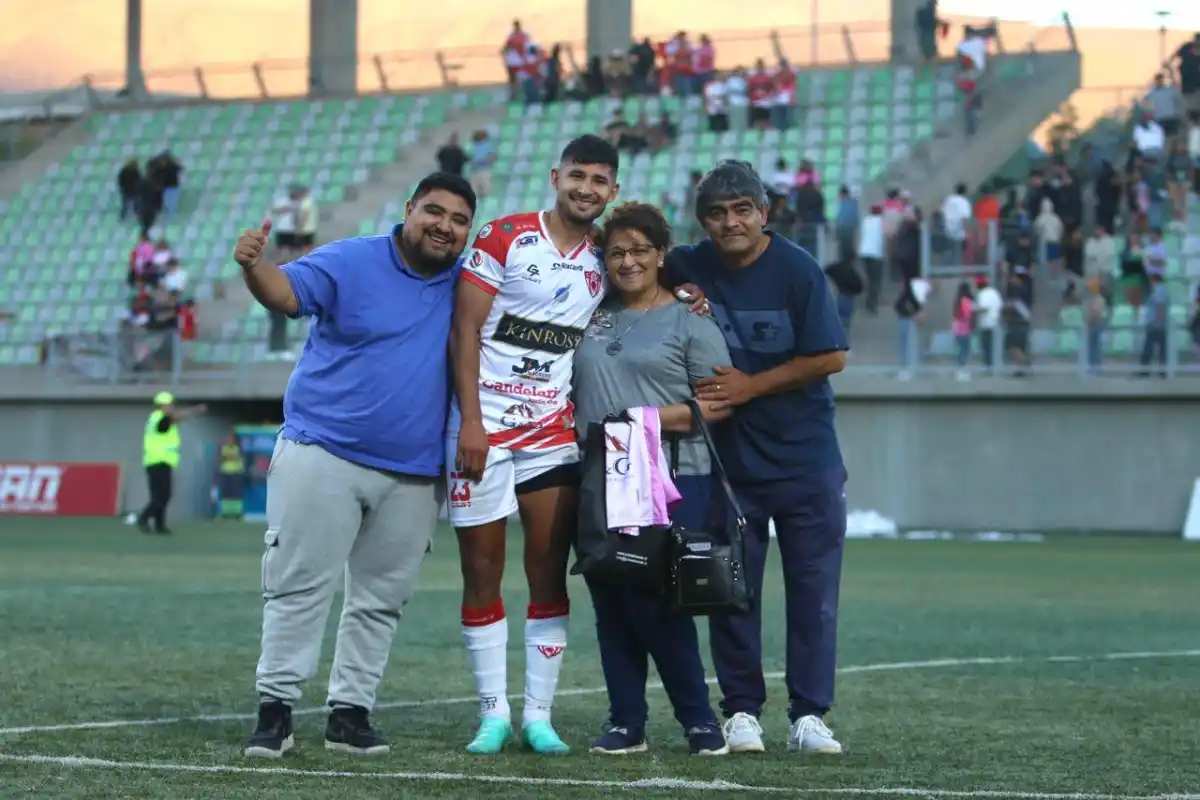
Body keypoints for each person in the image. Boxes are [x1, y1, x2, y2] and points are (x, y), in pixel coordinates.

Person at [232, 171, 477, 759]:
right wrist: (251, 266)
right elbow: (286, 295)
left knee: (381, 601)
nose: (444, 226)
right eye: (435, 212)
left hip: (415, 473)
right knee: (297, 585)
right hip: (324, 451)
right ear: (410, 208)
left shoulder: (472, 284)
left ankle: (350, 714)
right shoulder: (351, 259)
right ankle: (275, 712)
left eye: (459, 219)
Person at [664, 160, 849, 756]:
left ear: (763, 214)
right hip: (730, 463)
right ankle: (741, 710)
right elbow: (636, 269)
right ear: (703, 222)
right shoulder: (688, 265)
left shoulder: (797, 269)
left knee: (813, 593)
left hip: (805, 460)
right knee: (730, 589)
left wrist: (749, 385)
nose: (731, 222)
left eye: (742, 210)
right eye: (717, 213)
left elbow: (829, 357)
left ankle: (810, 715)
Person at [449, 135, 620, 756]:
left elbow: (657, 278)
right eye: (578, 176)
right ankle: (493, 713)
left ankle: (538, 717)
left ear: (613, 192)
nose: (586, 189)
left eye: (599, 181)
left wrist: (688, 292)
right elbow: (465, 330)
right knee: (482, 570)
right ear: (556, 176)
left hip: (551, 432)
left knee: (548, 572)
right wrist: (470, 420)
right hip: (482, 430)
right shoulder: (504, 237)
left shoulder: (609, 256)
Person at [572, 202, 731, 756]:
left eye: (640, 250)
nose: (628, 261)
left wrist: (644, 421)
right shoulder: (591, 313)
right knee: (609, 600)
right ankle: (626, 722)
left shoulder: (691, 319)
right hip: (598, 480)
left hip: (671, 478)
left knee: (659, 600)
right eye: (616, 252)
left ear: (662, 255)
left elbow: (719, 403)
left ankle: (699, 720)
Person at [137, 391, 207, 536]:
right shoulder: (159, 418)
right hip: (159, 461)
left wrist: (189, 413)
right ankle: (143, 518)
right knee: (163, 495)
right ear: (162, 405)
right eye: (169, 405)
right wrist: (193, 411)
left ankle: (159, 525)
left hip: (157, 462)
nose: (172, 407)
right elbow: (172, 420)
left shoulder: (157, 418)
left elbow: (173, 419)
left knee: (159, 495)